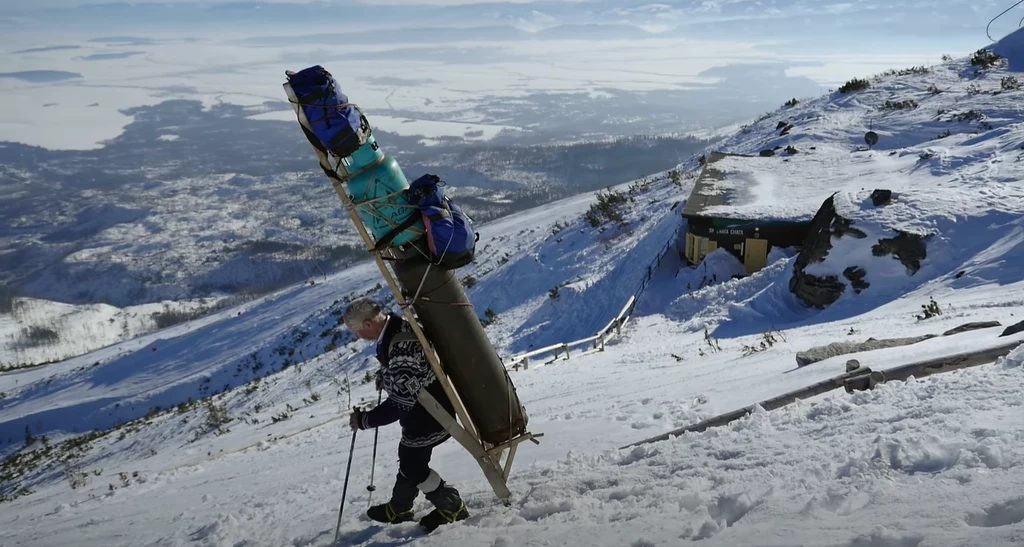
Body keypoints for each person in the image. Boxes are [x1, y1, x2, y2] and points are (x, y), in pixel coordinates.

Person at [343, 298, 469, 532]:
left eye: (357, 331)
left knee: (413, 464)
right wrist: (387, 377)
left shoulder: (401, 344)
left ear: (369, 323)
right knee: (410, 458)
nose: (357, 336)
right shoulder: (395, 328)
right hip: (427, 411)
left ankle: (452, 507)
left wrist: (365, 420)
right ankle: (399, 508)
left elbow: (401, 401)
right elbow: (406, 376)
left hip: (431, 415)